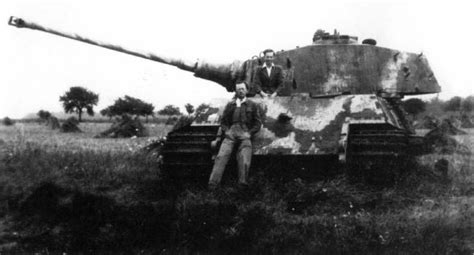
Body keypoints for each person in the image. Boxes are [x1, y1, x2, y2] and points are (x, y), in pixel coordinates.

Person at [208, 82, 262, 189]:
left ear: (246, 90)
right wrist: (226, 131)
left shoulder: (252, 105)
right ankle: (213, 184)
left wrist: (249, 133)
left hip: (245, 132)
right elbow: (223, 122)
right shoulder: (230, 105)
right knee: (221, 156)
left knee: (244, 157)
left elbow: (257, 123)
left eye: (242, 89)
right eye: (238, 89)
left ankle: (242, 184)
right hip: (231, 133)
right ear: (236, 91)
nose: (240, 91)